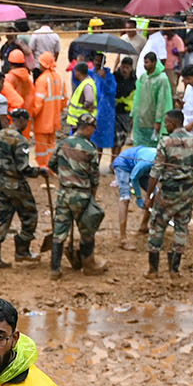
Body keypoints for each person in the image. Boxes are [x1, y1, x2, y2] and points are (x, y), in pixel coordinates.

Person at [142, 105, 193, 278]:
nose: (165, 126)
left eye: (166, 123)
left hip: (168, 193)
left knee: (157, 227)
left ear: (172, 123)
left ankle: (153, 270)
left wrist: (149, 195)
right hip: (187, 193)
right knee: (181, 228)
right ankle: (174, 269)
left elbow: (155, 171)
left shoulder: (165, 142)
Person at [0, 106, 44, 269]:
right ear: (23, 120)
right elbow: (23, 168)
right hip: (15, 183)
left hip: (0, 182)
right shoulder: (20, 140)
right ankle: (22, 250)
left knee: (3, 217)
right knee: (30, 215)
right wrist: (39, 171)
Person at [51, 110, 109, 276]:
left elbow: (52, 163)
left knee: (59, 232)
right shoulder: (90, 148)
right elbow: (94, 177)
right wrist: (92, 195)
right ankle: (89, 266)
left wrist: (64, 175)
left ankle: (55, 269)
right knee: (87, 231)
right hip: (82, 194)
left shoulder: (63, 143)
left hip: (63, 192)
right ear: (88, 128)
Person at [131, 50, 173, 155]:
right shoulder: (143, 77)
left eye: (147, 62)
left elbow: (162, 101)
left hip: (152, 119)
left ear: (154, 63)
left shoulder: (161, 79)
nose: (145, 65)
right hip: (140, 118)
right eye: (144, 62)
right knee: (139, 147)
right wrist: (133, 114)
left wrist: (158, 121)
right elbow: (137, 97)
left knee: (152, 149)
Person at [31, 52, 68, 167]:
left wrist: (31, 115)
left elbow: (38, 103)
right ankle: (51, 167)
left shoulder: (42, 80)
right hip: (54, 120)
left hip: (42, 121)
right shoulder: (60, 78)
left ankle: (43, 168)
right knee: (51, 146)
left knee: (42, 148)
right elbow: (64, 100)